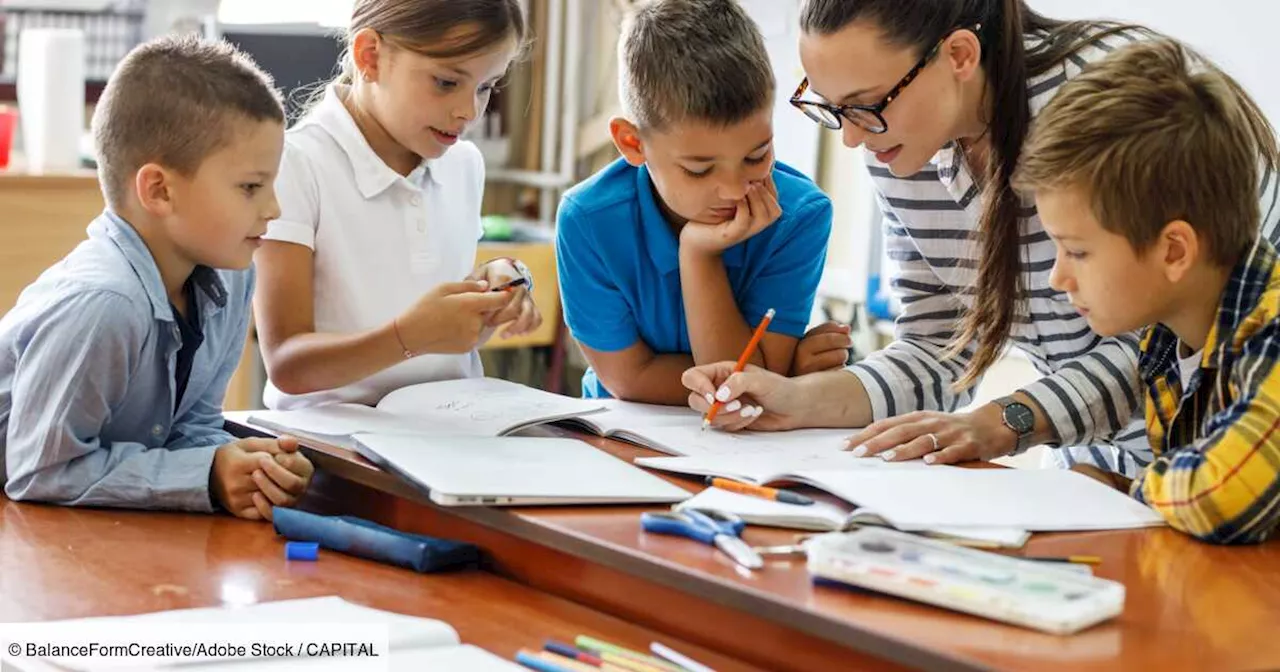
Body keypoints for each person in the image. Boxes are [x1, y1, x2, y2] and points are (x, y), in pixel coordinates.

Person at [682, 0, 1280, 477]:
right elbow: (938, 347)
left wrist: (1009, 419)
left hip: (1226, 454)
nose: (853, 141)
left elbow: (1172, 336)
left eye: (866, 107)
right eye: (833, 109)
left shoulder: (1112, 109)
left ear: (959, 55)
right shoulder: (897, 143)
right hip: (1101, 472)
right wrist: (799, 400)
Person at [0, 37, 313, 520]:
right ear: (159, 190)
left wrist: (244, 468)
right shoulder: (104, 303)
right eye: (251, 187)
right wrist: (203, 474)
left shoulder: (231, 279)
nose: (273, 209)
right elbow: (39, 469)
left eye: (271, 185)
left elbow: (192, 425)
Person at [1016, 39, 1280, 544]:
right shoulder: (1165, 343)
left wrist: (1128, 490)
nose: (1059, 278)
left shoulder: (1272, 332)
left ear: (1174, 251)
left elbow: (1221, 496)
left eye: (1078, 251)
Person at [253, 0, 541, 410]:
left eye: (486, 86)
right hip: (334, 446)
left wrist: (494, 282)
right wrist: (409, 337)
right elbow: (286, 364)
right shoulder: (297, 164)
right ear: (370, 56)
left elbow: (426, 291)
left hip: (451, 427)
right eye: (446, 82)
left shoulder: (463, 163)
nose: (468, 112)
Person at [556, 0, 834, 404]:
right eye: (700, 170)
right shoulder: (588, 221)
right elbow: (629, 381)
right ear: (633, 143)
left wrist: (698, 255)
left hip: (751, 449)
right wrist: (782, 373)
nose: (735, 189)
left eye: (757, 156)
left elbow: (750, 387)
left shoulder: (799, 217)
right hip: (618, 438)